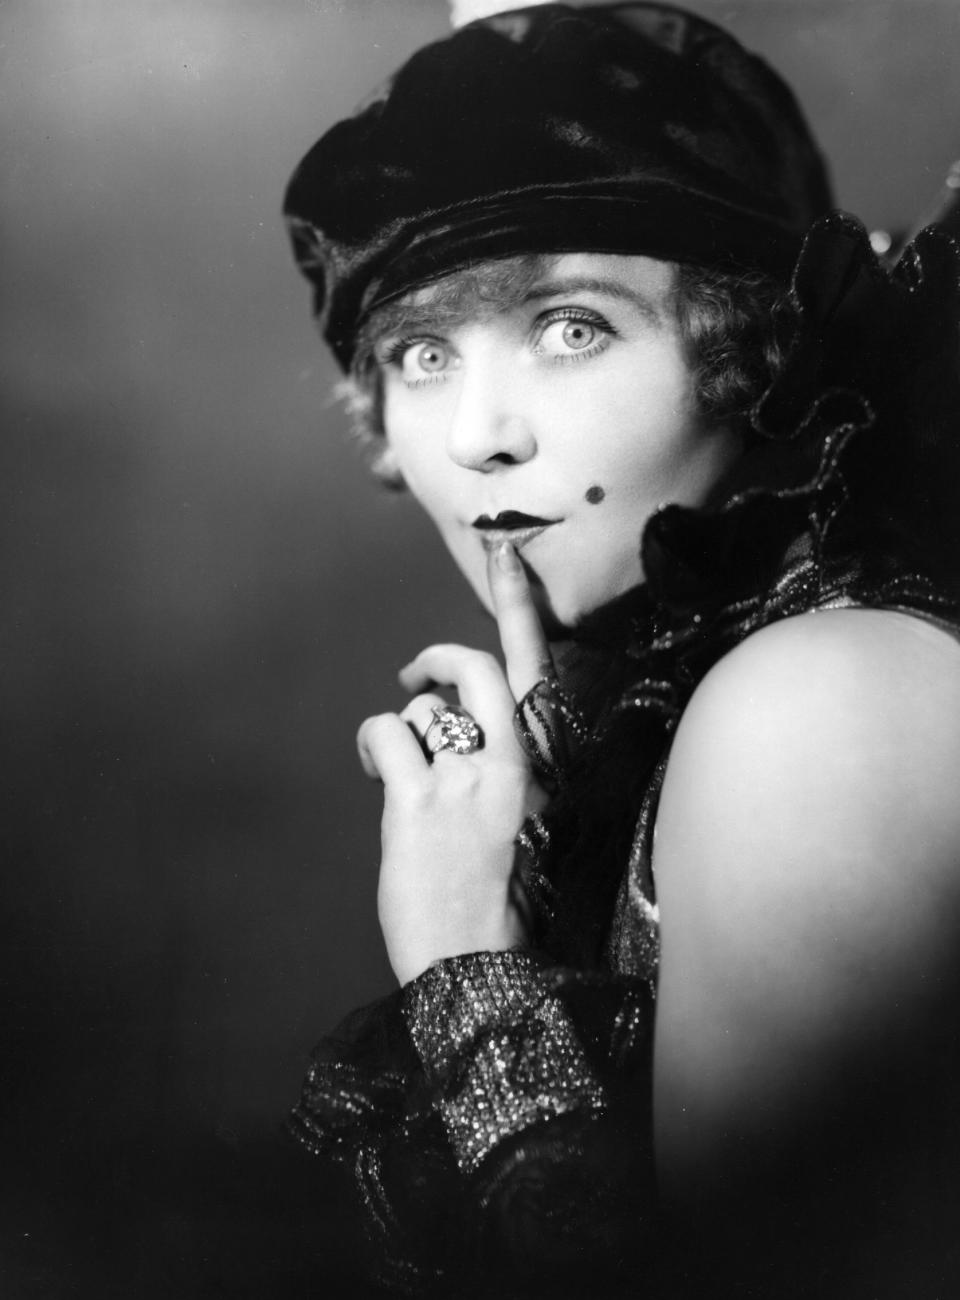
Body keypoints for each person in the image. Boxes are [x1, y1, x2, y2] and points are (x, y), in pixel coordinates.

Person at [280, 4, 960, 1296]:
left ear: (738, 350)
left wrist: (467, 973)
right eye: (423, 352)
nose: (480, 432)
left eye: (569, 326)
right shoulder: (728, 692)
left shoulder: (818, 711)